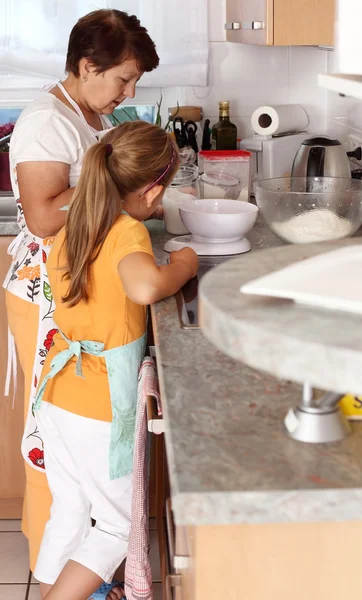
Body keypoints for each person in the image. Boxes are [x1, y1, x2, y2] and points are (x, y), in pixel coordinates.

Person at [3, 8, 159, 574]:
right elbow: (45, 217)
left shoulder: (85, 115)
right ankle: (67, 578)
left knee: (73, 454)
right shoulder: (48, 120)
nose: (129, 90)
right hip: (46, 297)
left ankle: (74, 579)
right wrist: (115, 179)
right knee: (57, 454)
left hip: (72, 292)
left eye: (135, 80)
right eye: (123, 78)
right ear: (88, 66)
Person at [32, 120, 198, 600]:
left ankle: (51, 590)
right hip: (100, 409)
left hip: (60, 394)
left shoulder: (78, 219)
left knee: (69, 508)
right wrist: (183, 265)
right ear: (150, 190)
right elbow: (145, 286)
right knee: (115, 527)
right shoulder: (126, 230)